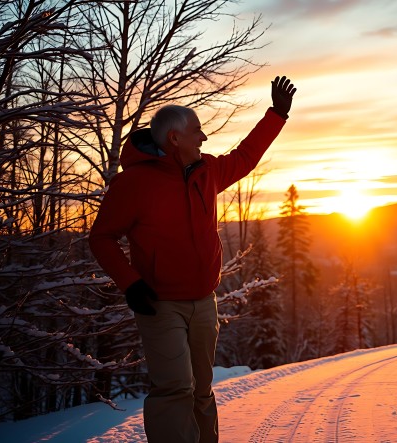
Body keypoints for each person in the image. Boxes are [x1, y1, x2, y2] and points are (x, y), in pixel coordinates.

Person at [89, 76, 297, 443]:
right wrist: (131, 284)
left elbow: (245, 157)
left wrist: (276, 115)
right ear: (174, 138)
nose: (203, 138)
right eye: (197, 131)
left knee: (201, 388)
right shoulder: (134, 184)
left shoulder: (208, 172)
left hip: (204, 302)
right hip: (159, 303)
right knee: (175, 390)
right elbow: (101, 238)